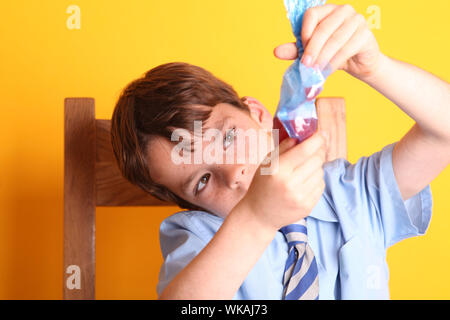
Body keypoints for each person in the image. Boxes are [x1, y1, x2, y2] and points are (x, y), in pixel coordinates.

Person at [110, 3, 450, 299]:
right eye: (201, 181)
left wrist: (377, 69)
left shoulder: (351, 194)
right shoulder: (199, 239)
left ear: (259, 116)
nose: (234, 173)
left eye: (227, 138)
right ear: (192, 204)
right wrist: (256, 218)